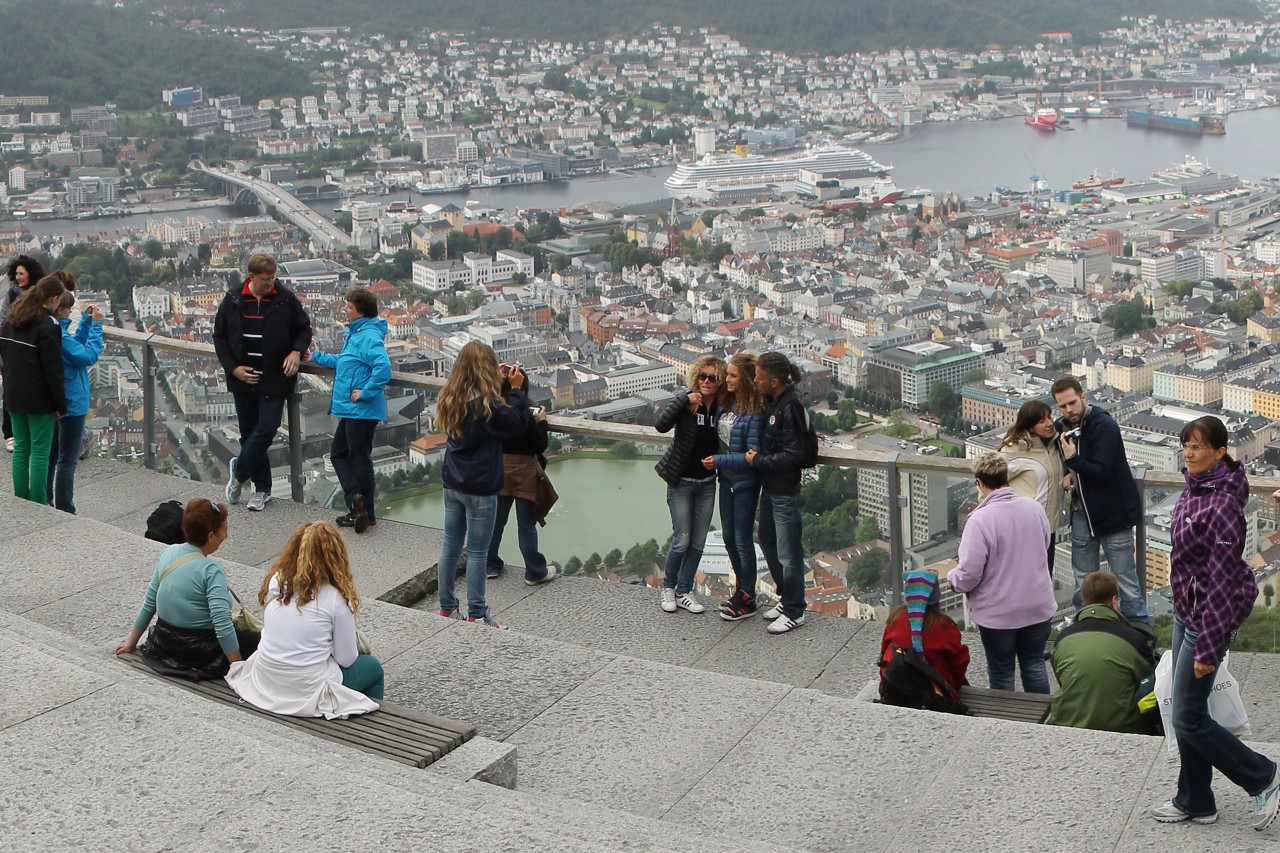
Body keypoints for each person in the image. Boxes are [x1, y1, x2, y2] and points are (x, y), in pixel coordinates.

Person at [1150, 416, 1279, 831]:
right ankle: (1196, 800)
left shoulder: (1221, 505)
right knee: (1187, 709)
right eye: (1186, 445)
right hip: (1187, 611)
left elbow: (1223, 581)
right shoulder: (1198, 486)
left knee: (1188, 717)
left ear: (1220, 452)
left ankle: (1264, 777)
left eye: (1199, 446)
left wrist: (1208, 646)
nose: (1189, 453)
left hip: (1206, 620)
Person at [225, 521, 382, 719]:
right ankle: (371, 725)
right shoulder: (336, 599)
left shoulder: (278, 582)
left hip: (265, 679)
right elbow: (347, 659)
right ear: (336, 556)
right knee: (373, 668)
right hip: (303, 689)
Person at [433, 341, 535, 626]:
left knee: (450, 545)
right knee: (477, 552)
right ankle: (477, 613)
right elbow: (518, 423)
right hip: (480, 486)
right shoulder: (487, 406)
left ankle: (446, 607)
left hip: (452, 481)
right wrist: (515, 389)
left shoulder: (450, 396)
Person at [946, 453, 1056, 693]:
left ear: (980, 482)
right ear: (1006, 477)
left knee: (1002, 671)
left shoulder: (979, 521)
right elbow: (1044, 545)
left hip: (999, 613)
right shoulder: (1033, 508)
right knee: (1034, 664)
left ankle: (1005, 724)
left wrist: (952, 580)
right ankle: (1044, 724)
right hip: (1037, 605)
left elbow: (969, 572)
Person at [213, 252, 312, 513]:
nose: (272, 284)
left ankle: (239, 470)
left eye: (274, 278)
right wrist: (233, 368)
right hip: (243, 378)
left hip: (273, 377)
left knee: (267, 428)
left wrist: (296, 351)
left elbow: (304, 329)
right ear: (251, 277)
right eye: (266, 280)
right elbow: (219, 337)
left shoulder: (285, 299)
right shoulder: (234, 299)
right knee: (249, 435)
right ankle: (262, 490)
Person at [114, 499, 257, 680]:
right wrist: (237, 667)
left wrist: (130, 643)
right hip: (199, 651)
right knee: (260, 641)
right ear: (210, 536)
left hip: (164, 645)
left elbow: (151, 601)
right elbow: (221, 623)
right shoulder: (211, 570)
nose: (226, 536)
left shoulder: (169, 552)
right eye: (224, 530)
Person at [1052, 376, 1147, 623]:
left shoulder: (1103, 425)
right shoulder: (1063, 427)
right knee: (1082, 583)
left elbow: (1101, 470)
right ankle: (1087, 631)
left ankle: (1139, 638)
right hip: (1083, 515)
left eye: (1072, 402)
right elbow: (1058, 451)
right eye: (1062, 406)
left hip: (1113, 515)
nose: (1069, 410)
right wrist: (1065, 470)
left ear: (1083, 397)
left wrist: (1072, 461)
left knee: (1125, 583)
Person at [308, 287, 390, 534]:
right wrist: (317, 357)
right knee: (343, 454)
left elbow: (383, 368)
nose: (344, 309)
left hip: (362, 409)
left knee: (356, 457)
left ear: (360, 311)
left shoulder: (368, 337)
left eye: (349, 306)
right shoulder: (356, 334)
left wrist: (365, 392)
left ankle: (362, 507)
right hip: (354, 410)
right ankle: (358, 505)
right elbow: (345, 363)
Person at [653, 354, 725, 615]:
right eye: (703, 376)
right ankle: (669, 587)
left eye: (713, 377)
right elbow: (660, 425)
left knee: (698, 542)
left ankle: (685, 590)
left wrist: (719, 461)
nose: (706, 381)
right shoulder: (686, 402)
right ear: (696, 378)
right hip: (681, 481)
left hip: (707, 483)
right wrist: (683, 399)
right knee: (681, 539)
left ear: (720, 381)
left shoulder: (721, 407)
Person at [745, 351, 809, 635]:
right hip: (771, 487)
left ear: (773, 381)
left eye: (759, 377)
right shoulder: (775, 403)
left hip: (783, 488)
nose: (755, 380)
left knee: (789, 552)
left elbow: (796, 454)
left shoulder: (790, 406)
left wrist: (758, 461)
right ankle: (786, 598)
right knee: (767, 540)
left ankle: (795, 609)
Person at [1047, 571, 1156, 734]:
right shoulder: (1133, 639)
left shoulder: (1063, 638)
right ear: (1114, 601)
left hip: (1067, 722)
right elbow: (1147, 682)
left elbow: (1062, 678)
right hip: (1124, 726)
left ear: (1084, 601)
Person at [702, 351, 765, 621]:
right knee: (729, 538)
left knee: (741, 539)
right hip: (725, 479)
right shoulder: (726, 404)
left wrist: (719, 460)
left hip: (744, 482)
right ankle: (741, 590)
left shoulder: (754, 413)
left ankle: (748, 596)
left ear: (747, 379)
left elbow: (753, 455)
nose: (726, 379)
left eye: (732, 375)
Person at [485, 376, 560, 586]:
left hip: (500, 470)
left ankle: (489, 565)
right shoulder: (525, 415)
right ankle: (534, 571)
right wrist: (542, 422)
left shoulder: (493, 411)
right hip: (525, 473)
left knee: (496, 522)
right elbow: (540, 444)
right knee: (526, 525)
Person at [0, 275, 66, 504]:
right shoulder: (48, 325)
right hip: (39, 400)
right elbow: (53, 370)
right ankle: (38, 501)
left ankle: (21, 498)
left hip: (13, 396)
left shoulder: (12, 320)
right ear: (54, 298)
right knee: (40, 452)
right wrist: (60, 404)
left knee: (21, 449)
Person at [48, 281, 103, 513]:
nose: (72, 312)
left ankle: (45, 498)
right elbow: (87, 355)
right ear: (60, 310)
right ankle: (65, 507)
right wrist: (98, 326)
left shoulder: (54, 331)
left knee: (52, 455)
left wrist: (87, 322)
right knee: (67, 459)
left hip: (58, 399)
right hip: (72, 402)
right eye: (70, 309)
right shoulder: (60, 335)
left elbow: (75, 347)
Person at [998, 399, 1064, 574]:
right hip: (1025, 530)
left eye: (1049, 417)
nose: (1049, 423)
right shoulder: (1015, 450)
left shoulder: (1053, 445)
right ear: (1029, 425)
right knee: (1026, 580)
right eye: (1041, 421)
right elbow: (989, 482)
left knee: (1044, 580)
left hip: (1048, 528)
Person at [879, 569, 969, 692]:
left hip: (897, 686)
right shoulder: (944, 626)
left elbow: (884, 653)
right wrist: (954, 687)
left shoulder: (895, 619)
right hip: (934, 691)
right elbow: (960, 662)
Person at [0, 254, 48, 453]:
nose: (18, 277)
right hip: (11, 349)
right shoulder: (11, 294)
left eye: (22, 273)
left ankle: (24, 432)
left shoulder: (40, 293)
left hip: (31, 349)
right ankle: (9, 433)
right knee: (10, 390)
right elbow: (2, 320)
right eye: (16, 274)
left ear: (31, 273)